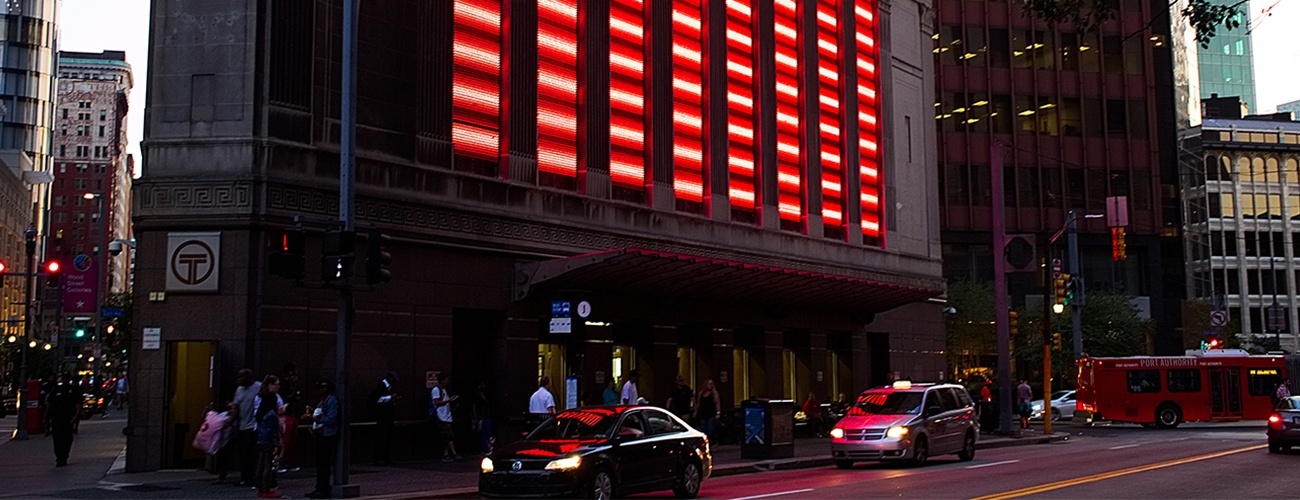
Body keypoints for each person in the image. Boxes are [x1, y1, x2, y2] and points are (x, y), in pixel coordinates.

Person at [302, 379, 338, 499]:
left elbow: (332, 418)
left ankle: (323, 489)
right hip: (321, 433)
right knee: (321, 463)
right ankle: (319, 487)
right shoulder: (323, 401)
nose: (318, 391)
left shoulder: (331, 400)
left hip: (327, 435)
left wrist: (315, 419)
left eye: (320, 389)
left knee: (324, 463)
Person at [234, 369, 263, 487]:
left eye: (241, 377)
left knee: (252, 453)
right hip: (242, 425)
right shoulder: (239, 390)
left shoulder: (259, 387)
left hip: (254, 426)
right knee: (243, 454)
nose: (239, 380)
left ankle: (254, 477)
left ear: (249, 377)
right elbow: (236, 406)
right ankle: (245, 477)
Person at [255, 381, 283, 498]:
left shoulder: (260, 412)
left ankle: (260, 488)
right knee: (268, 465)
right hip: (269, 440)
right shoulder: (271, 413)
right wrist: (277, 443)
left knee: (260, 465)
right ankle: (266, 489)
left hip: (260, 438)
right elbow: (273, 430)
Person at [48, 374, 81, 467]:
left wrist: (75, 417)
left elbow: (78, 404)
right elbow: (49, 402)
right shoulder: (56, 389)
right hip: (57, 417)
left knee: (66, 438)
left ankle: (63, 456)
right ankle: (60, 457)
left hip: (67, 418)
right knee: (58, 438)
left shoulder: (73, 390)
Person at [370, 371, 399, 465]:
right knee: (382, 437)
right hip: (383, 416)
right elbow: (378, 399)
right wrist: (391, 397)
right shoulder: (382, 386)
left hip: (386, 416)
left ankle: (384, 458)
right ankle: (380, 458)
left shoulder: (387, 386)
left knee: (386, 437)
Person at [429, 372, 460, 462]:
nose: (448, 381)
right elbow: (437, 402)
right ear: (442, 380)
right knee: (448, 436)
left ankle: (446, 455)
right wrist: (449, 400)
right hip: (440, 416)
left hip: (446, 415)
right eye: (446, 379)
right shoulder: (436, 390)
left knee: (446, 437)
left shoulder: (444, 390)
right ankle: (454, 453)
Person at [278, 364, 303, 473]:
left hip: (293, 414)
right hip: (286, 415)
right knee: (285, 440)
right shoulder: (283, 384)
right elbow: (287, 399)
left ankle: (288, 461)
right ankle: (280, 462)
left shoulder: (292, 385)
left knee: (291, 441)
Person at [471, 382, 494, 454]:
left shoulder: (485, 395)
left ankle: (487, 447)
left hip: (486, 415)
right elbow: (474, 407)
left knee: (487, 432)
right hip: (481, 416)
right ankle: (486, 449)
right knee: (483, 433)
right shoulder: (476, 396)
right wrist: (475, 418)